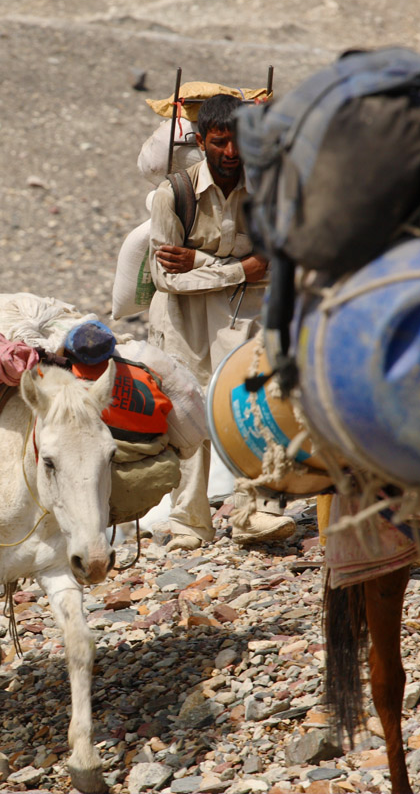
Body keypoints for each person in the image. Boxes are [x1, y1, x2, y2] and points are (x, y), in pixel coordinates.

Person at [147, 93, 296, 549]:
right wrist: (237, 269)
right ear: (200, 140)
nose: (231, 153)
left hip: (248, 314)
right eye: (219, 142)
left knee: (254, 407)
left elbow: (275, 259)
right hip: (185, 321)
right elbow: (166, 279)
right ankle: (190, 522)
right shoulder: (175, 194)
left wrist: (201, 260)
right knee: (189, 413)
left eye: (239, 143)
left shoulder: (269, 192)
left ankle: (254, 512)